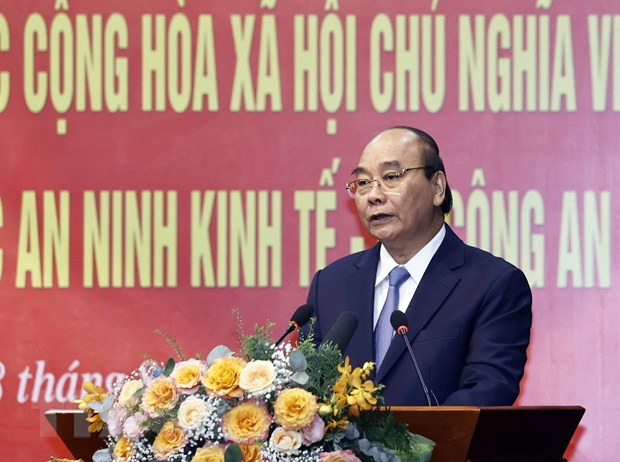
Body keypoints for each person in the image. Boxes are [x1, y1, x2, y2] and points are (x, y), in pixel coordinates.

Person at [306, 126, 532, 406]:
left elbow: (486, 393)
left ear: (437, 188)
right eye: (363, 182)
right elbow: (307, 391)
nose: (373, 195)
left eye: (391, 177)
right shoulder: (330, 285)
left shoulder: (493, 284)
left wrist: (404, 435)